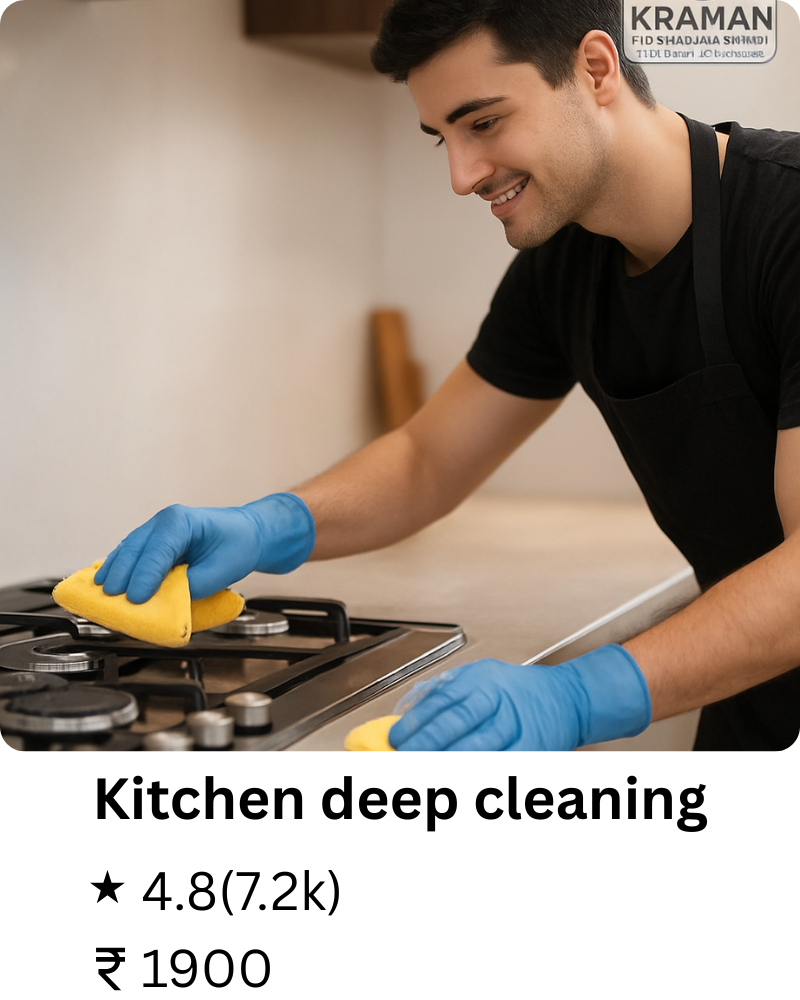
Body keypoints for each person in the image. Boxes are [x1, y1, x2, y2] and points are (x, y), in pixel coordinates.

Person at [94, 0, 800, 752]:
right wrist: (269, 525)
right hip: (752, 701)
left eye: (484, 122)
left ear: (596, 69)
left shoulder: (784, 219)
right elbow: (426, 460)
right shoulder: (564, 264)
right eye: (444, 139)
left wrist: (583, 694)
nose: (462, 177)